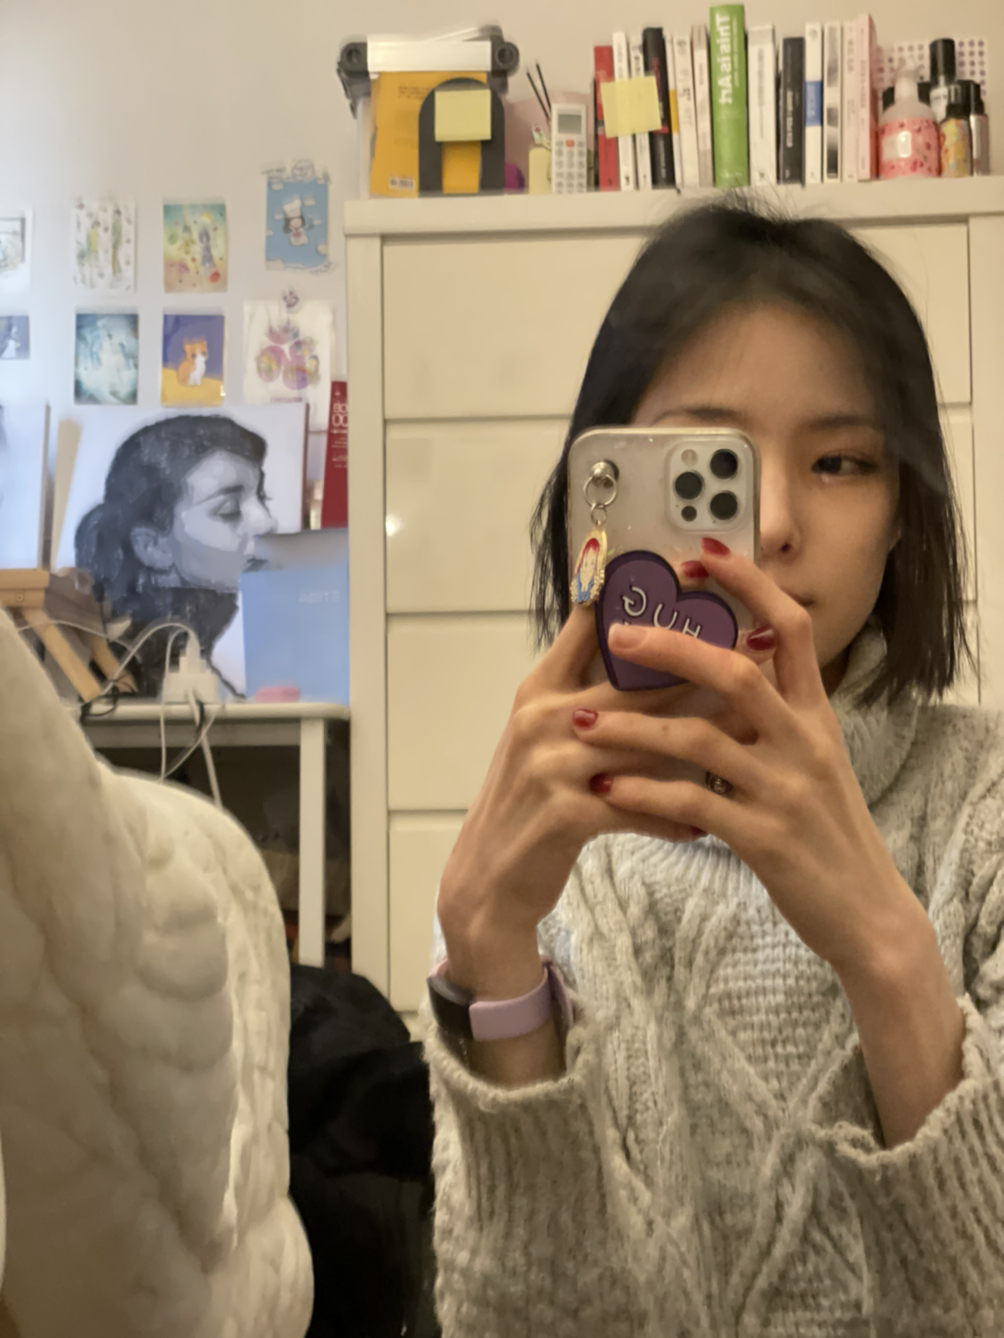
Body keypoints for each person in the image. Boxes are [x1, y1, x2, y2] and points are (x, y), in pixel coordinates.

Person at [423, 200, 1004, 1336]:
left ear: (902, 516)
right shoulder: (544, 851)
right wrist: (492, 964)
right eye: (711, 470)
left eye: (840, 462)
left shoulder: (984, 815)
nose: (773, 523)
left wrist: (884, 947)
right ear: (605, 489)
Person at [75, 413, 276, 691]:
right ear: (153, 546)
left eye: (262, 497)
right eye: (229, 510)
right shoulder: (141, 662)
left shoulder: (196, 632)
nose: (266, 521)